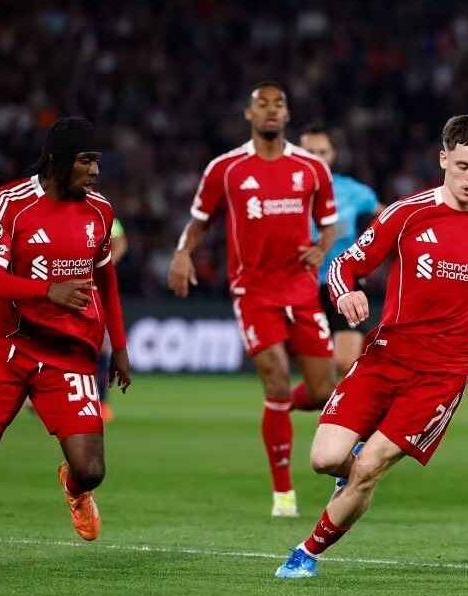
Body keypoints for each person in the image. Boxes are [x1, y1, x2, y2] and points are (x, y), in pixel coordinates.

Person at [274, 114, 468, 579]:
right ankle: (353, 476)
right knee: (326, 459)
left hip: (443, 373)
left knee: (370, 466)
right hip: (385, 357)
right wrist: (344, 293)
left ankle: (307, 552)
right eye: (463, 166)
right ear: (444, 159)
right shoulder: (406, 213)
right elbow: (345, 264)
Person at [0, 117, 132, 571]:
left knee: (91, 470)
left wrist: (120, 347)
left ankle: (75, 488)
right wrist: (48, 291)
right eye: (86, 161)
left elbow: (106, 280)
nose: (95, 171)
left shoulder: (100, 211)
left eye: (97, 161)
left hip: (70, 355)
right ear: (58, 161)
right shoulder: (9, 203)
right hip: (9, 349)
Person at [168, 81, 338, 518]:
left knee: (324, 390)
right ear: (249, 114)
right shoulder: (226, 169)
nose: (271, 110)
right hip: (254, 292)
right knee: (276, 377)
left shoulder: (311, 169)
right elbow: (199, 222)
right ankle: (283, 494)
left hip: (301, 290)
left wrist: (321, 248)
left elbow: (329, 224)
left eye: (278, 104)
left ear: (288, 114)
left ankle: (279, 409)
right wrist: (183, 253)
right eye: (262, 104)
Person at [289, 123, 383, 409]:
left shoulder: (353, 191)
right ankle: (295, 400)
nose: (317, 158)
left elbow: (387, 218)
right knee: (320, 379)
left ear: (333, 154)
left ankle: (334, 413)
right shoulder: (285, 191)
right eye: (310, 152)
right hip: (301, 287)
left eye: (322, 152)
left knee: (346, 361)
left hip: (343, 283)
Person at [96, 216, 128, 423]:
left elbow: (121, 241)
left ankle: (101, 403)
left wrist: (106, 263)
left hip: (96, 287)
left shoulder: (101, 213)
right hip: (65, 284)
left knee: (101, 347)